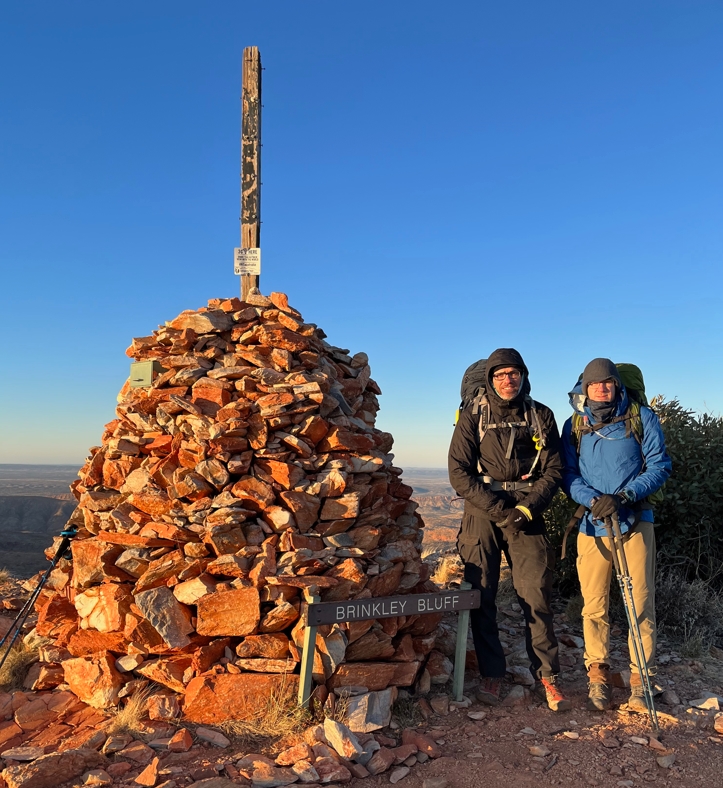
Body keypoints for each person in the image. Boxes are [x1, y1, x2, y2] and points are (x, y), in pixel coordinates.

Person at [448, 348, 569, 711]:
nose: (507, 380)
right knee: (482, 594)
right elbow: (458, 471)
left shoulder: (540, 415)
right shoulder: (473, 415)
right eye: (500, 375)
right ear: (490, 379)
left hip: (525, 513)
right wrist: (501, 509)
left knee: (536, 593)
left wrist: (526, 510)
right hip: (484, 511)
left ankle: (548, 676)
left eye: (513, 373)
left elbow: (554, 469)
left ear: (523, 376)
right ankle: (492, 673)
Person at [561, 358, 671, 712]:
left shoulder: (641, 417)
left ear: (617, 385)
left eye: (607, 383)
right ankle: (598, 674)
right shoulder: (576, 424)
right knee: (593, 604)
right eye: (595, 384)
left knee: (640, 601)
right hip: (593, 524)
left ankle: (641, 679)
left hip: (636, 520)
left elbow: (659, 464)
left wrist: (624, 496)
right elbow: (568, 473)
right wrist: (592, 500)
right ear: (585, 388)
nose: (601, 389)